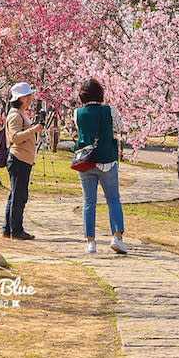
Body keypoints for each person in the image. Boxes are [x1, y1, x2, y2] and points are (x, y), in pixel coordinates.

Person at [73, 78, 127, 254]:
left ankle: (90, 242)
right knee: (113, 200)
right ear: (100, 93)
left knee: (89, 202)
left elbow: (80, 131)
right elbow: (120, 128)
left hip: (86, 161)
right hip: (107, 160)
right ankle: (117, 237)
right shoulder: (108, 110)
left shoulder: (78, 113)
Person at [2, 82, 44, 240]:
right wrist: (33, 130)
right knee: (19, 196)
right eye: (27, 96)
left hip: (23, 160)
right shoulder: (15, 115)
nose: (30, 99)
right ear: (20, 98)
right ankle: (16, 230)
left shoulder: (19, 113)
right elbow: (15, 138)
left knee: (15, 195)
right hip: (18, 159)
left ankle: (8, 229)